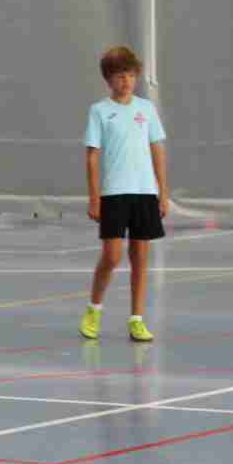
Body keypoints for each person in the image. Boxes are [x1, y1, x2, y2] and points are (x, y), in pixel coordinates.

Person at [81, 46, 169, 342]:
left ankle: (137, 319)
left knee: (141, 258)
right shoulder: (100, 111)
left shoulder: (146, 109)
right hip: (114, 193)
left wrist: (162, 191)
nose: (127, 80)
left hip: (144, 192)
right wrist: (94, 197)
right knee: (112, 255)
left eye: (131, 74)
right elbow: (92, 156)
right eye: (120, 75)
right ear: (109, 79)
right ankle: (94, 309)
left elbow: (157, 149)